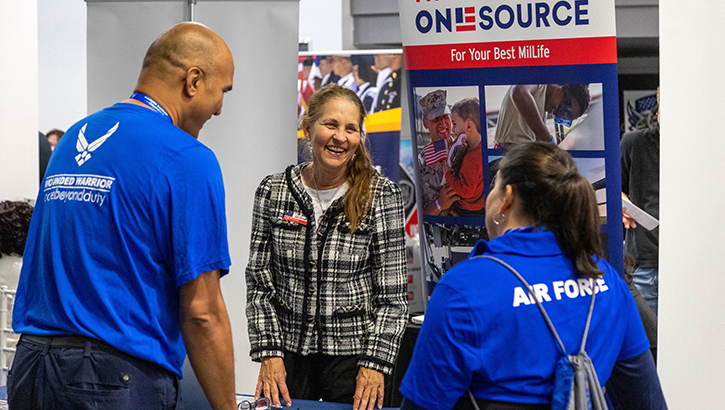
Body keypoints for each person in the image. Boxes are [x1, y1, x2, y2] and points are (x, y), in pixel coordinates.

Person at [10, 22, 236, 410]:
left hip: (31, 368)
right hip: (111, 380)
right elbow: (202, 313)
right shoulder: (187, 158)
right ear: (193, 81)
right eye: (222, 92)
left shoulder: (73, 139)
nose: (219, 108)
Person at [400, 142, 666, 410]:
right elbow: (647, 400)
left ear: (507, 198)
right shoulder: (605, 278)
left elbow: (422, 403)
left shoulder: (464, 288)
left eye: (493, 186)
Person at [246, 84, 408, 410]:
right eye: (331, 125)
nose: (340, 137)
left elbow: (392, 299)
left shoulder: (382, 196)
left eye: (351, 129)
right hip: (287, 357)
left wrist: (375, 364)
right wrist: (269, 353)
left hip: (356, 362)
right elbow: (259, 285)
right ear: (308, 128)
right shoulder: (274, 191)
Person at [621, 87, 660, 315]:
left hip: (692, 262)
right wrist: (621, 202)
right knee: (647, 344)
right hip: (644, 263)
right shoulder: (633, 143)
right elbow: (615, 188)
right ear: (657, 113)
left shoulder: (704, 152)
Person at [494, 84, 590, 149]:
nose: (557, 114)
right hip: (504, 157)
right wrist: (544, 135)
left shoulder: (541, 110)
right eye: (564, 110)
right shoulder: (538, 81)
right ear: (562, 89)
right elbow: (518, 93)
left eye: (564, 117)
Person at [417, 90, 459, 217]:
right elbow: (416, 215)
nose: (443, 124)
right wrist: (439, 204)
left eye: (445, 117)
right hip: (435, 234)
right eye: (436, 119)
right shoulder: (419, 163)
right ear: (425, 123)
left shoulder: (463, 149)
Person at [441, 98, 485, 216]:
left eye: (454, 124)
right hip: (478, 206)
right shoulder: (479, 148)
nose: (452, 130)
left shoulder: (472, 158)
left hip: (468, 210)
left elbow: (466, 192)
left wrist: (447, 172)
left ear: (469, 125)